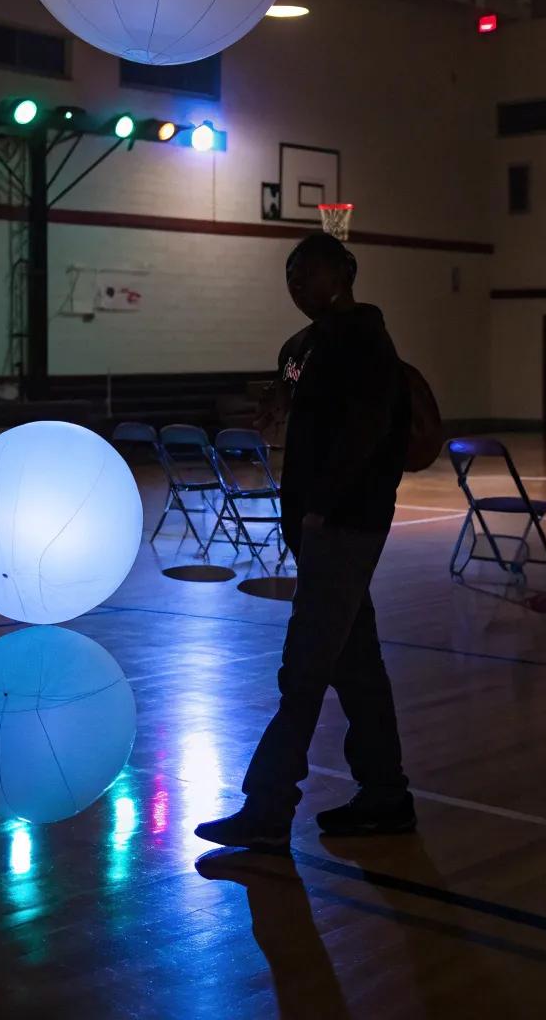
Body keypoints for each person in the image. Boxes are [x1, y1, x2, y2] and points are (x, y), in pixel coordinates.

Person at [196, 232, 415, 852]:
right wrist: (278, 402)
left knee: (304, 671)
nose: (295, 282)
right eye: (289, 273)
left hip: (344, 526)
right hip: (323, 529)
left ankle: (267, 809)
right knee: (357, 665)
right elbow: (291, 383)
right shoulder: (305, 346)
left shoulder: (365, 343)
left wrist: (322, 508)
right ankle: (386, 797)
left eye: (307, 271)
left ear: (343, 273)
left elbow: (366, 437)